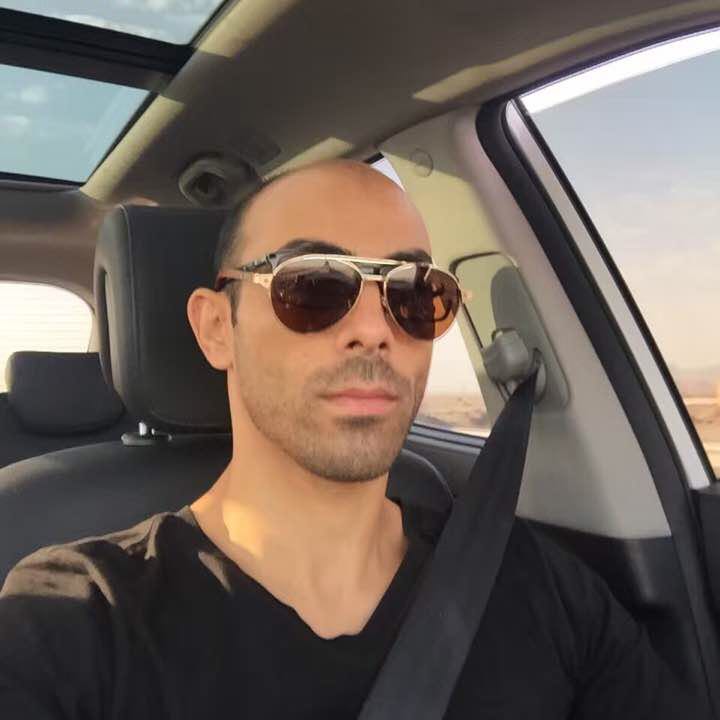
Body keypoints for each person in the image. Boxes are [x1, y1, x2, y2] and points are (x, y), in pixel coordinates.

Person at [0, 160, 706, 719]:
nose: (375, 329)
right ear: (218, 328)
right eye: (313, 285)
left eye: (414, 293)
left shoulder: (531, 584)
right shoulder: (75, 620)